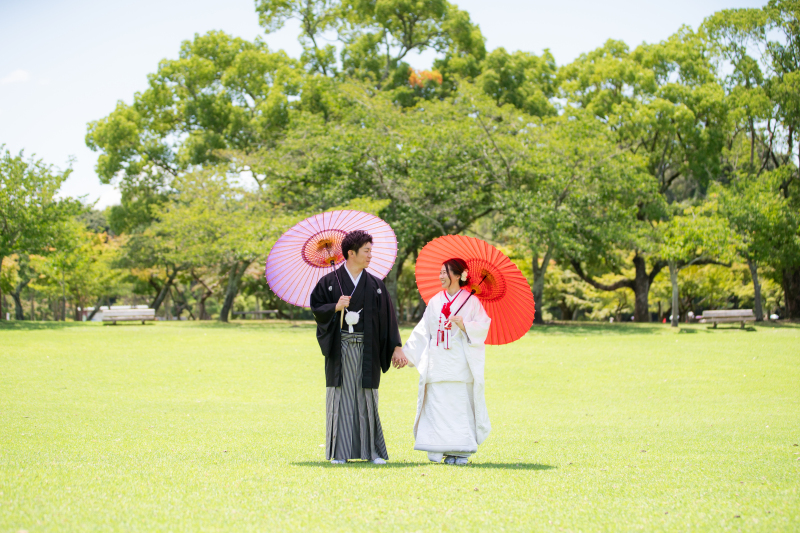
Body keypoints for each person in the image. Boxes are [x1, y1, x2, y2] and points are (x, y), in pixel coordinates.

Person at [310, 230, 408, 465]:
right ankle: (340, 453)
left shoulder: (375, 285)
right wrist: (335, 307)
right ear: (351, 253)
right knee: (341, 398)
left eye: (371, 251)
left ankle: (372, 452)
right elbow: (317, 308)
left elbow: (388, 318)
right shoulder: (329, 283)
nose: (370, 255)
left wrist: (396, 347)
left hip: (368, 349)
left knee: (367, 398)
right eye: (366, 251)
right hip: (340, 348)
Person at [402, 258, 491, 465]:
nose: (441, 276)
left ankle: (461, 451)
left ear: (458, 275)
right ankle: (437, 447)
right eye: (440, 272)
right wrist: (407, 353)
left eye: (445, 272)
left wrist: (464, 325)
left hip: (459, 361)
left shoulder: (472, 302)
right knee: (437, 404)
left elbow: (483, 326)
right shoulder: (435, 301)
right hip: (437, 360)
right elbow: (423, 330)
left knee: (459, 406)